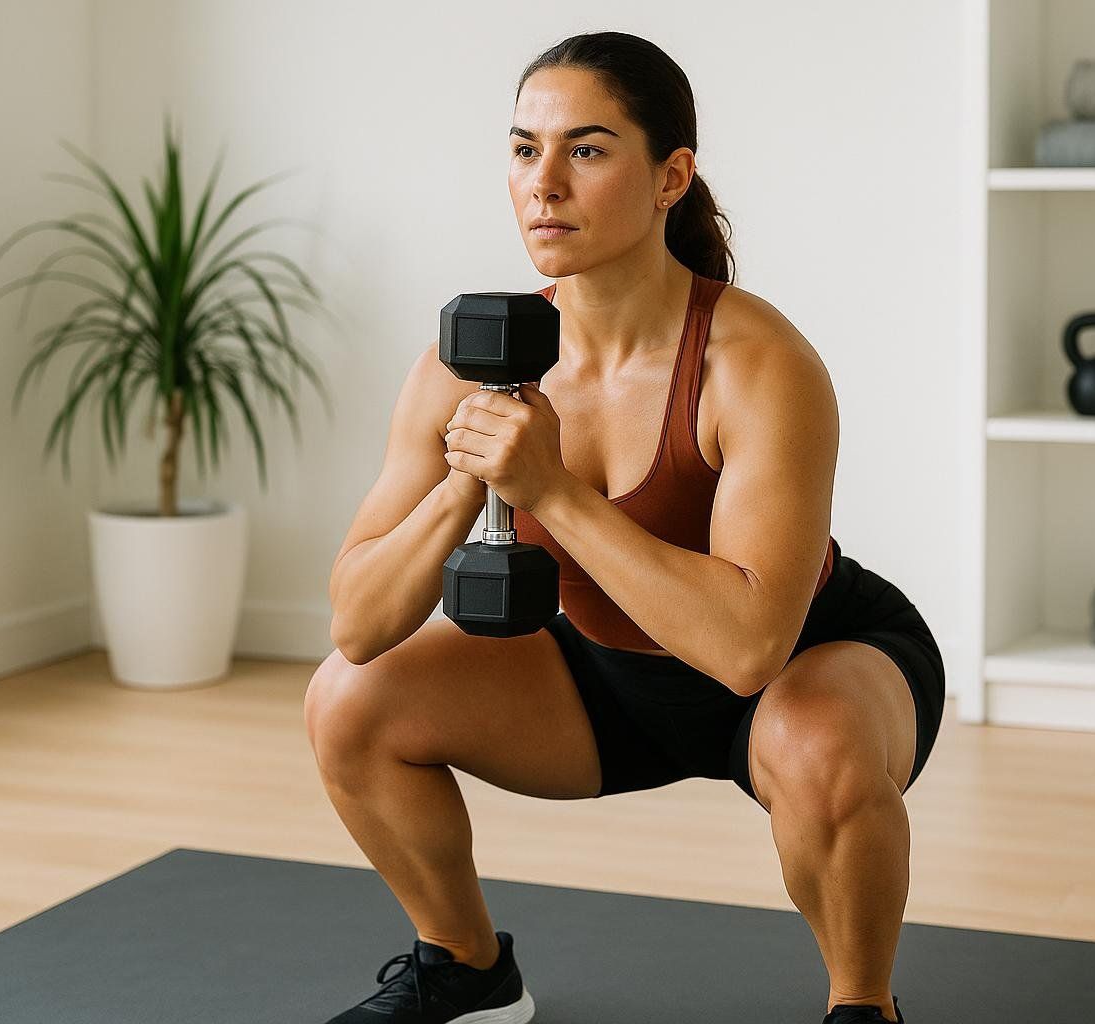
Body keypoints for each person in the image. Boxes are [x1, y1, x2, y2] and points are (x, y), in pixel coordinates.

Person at [305, 30, 945, 1024]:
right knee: (349, 699)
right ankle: (467, 969)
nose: (544, 183)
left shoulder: (756, 361)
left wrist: (552, 491)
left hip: (804, 660)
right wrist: (467, 478)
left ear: (669, 177)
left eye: (588, 149)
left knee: (818, 743)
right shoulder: (468, 360)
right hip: (600, 677)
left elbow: (745, 649)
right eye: (524, 149)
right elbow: (357, 620)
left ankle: (862, 1006)